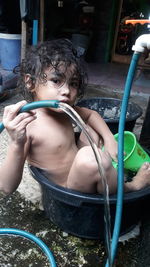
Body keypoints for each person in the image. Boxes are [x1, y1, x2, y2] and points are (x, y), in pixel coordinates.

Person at [0, 39, 150, 196]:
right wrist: (17, 143)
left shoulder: (66, 110)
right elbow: (6, 187)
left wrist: (109, 140)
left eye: (73, 83)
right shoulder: (28, 124)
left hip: (82, 170)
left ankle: (105, 170)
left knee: (90, 130)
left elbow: (92, 114)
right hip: (68, 190)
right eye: (56, 80)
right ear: (30, 82)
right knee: (89, 156)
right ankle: (130, 187)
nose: (66, 91)